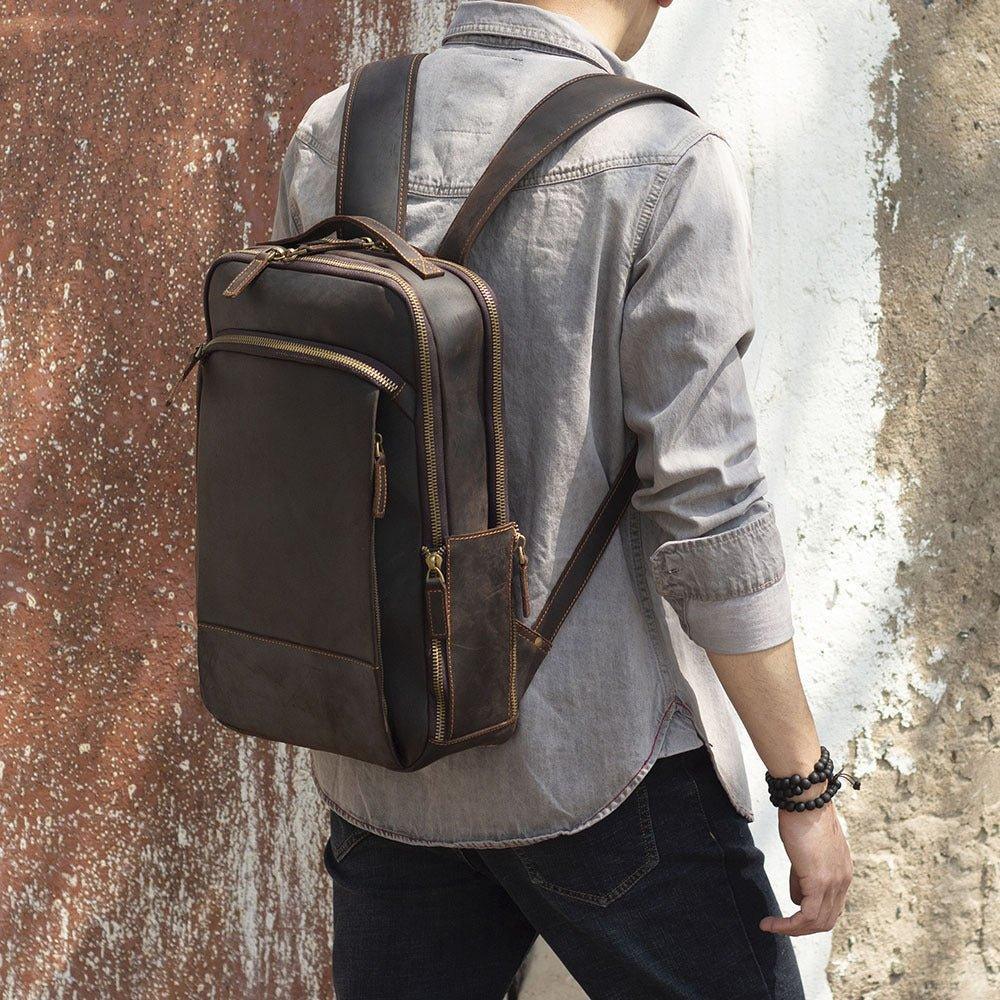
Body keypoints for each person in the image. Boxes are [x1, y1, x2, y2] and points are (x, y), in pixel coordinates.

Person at [272, 2, 853, 997]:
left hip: (388, 764)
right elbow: (709, 506)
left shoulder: (338, 130)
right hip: (599, 764)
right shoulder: (660, 155)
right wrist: (802, 784)